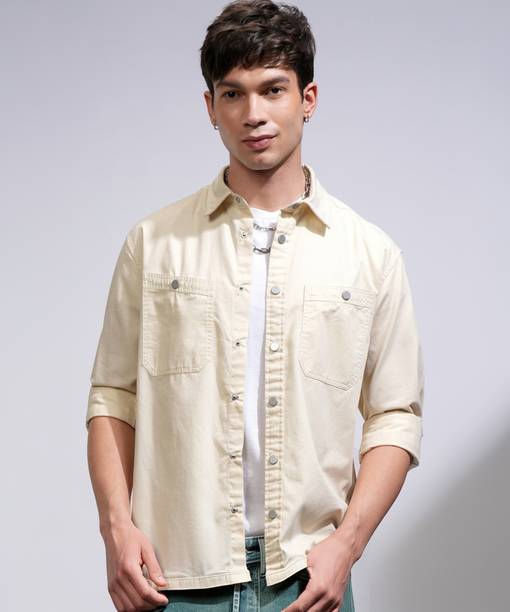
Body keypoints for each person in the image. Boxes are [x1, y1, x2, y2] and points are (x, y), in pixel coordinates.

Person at [85, 1, 425, 610]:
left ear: (308, 98)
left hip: (306, 575)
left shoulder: (370, 255)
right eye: (233, 94)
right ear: (210, 107)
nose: (254, 114)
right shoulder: (154, 244)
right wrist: (116, 529)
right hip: (173, 575)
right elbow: (113, 395)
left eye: (273, 89)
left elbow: (395, 414)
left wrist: (347, 545)